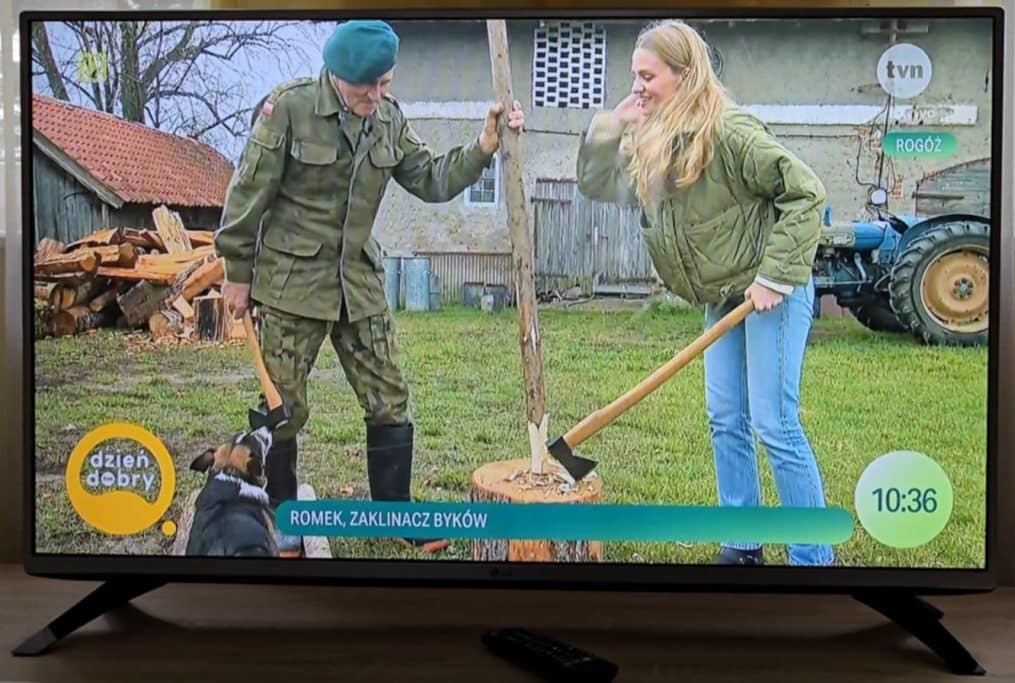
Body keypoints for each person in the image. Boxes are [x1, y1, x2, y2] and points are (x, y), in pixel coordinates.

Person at [215, 20, 525, 556]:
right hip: (291, 284)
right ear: (337, 75)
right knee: (282, 406)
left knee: (389, 397)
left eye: (385, 83)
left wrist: (483, 146)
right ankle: (282, 513)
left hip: (356, 281)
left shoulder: (388, 119)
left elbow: (429, 178)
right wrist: (237, 273)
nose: (377, 95)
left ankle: (394, 511)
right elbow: (247, 193)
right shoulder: (288, 109)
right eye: (368, 86)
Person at [575, 19, 834, 567]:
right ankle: (742, 542)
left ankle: (813, 559)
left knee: (774, 422)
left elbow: (806, 193)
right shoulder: (652, 137)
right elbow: (598, 185)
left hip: (772, 290)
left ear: (684, 74)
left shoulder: (731, 133)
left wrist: (774, 276)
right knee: (725, 418)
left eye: (648, 76)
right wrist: (610, 126)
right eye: (634, 76)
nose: (638, 86)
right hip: (724, 296)